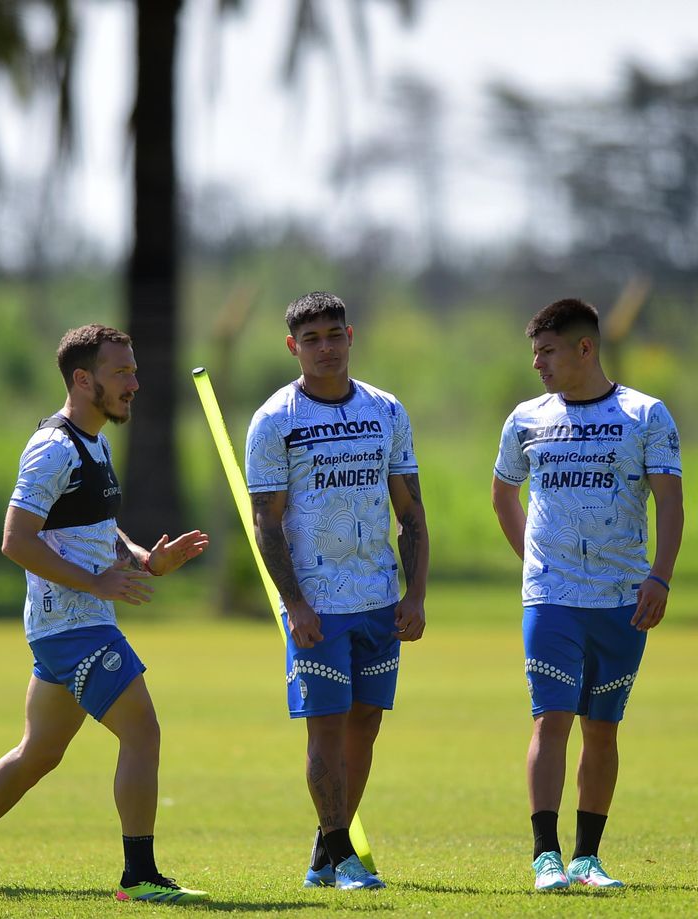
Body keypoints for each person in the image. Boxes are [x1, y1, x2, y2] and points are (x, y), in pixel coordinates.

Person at [0, 324, 210, 903]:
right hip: (71, 625)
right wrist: (96, 581)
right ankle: (140, 877)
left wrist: (146, 558)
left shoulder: (94, 441)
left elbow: (96, 525)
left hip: (75, 624)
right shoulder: (52, 448)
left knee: (38, 753)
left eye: (134, 371)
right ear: (82, 378)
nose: (134, 384)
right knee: (142, 732)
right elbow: (16, 540)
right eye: (121, 373)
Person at [491, 297, 683, 892]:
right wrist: (536, 565)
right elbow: (504, 496)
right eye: (534, 353)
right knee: (551, 719)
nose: (537, 364)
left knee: (602, 727)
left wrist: (659, 577)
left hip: (624, 596)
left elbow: (671, 503)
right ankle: (545, 855)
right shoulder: (526, 418)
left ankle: (588, 858)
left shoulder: (646, 415)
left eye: (547, 351)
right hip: (550, 598)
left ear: (584, 348)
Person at [245, 291, 429, 891]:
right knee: (324, 727)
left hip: (379, 597)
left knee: (366, 726)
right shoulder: (276, 420)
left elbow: (411, 509)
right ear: (293, 347)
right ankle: (343, 855)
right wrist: (294, 602)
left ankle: (327, 851)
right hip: (319, 605)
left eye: (335, 335)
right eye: (312, 339)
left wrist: (416, 593)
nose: (326, 347)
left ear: (351, 336)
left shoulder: (386, 410)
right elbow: (266, 522)